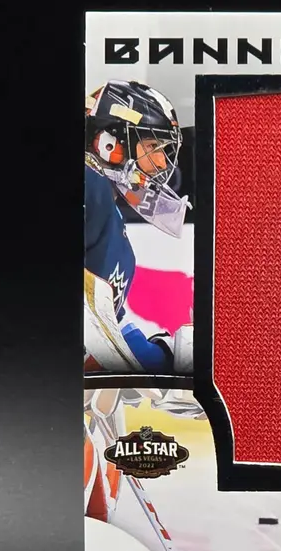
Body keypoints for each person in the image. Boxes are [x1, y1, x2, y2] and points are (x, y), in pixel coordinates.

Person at [84, 79, 193, 374]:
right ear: (108, 143)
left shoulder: (109, 214)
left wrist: (166, 358)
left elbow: (112, 332)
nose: (161, 162)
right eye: (152, 146)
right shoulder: (89, 185)